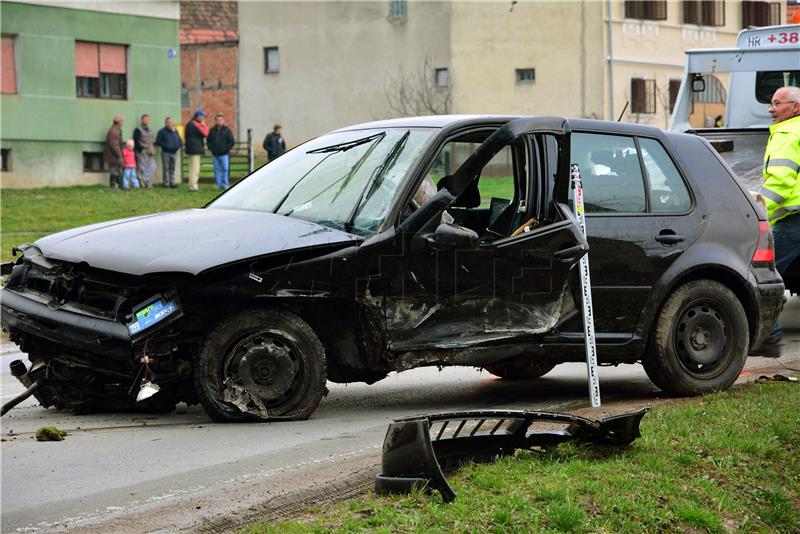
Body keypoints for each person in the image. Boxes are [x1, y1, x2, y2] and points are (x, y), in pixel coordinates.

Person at [760, 86, 800, 344]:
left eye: (777, 103)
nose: (771, 109)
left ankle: (768, 333)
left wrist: (757, 212)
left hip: (792, 220)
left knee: (763, 275)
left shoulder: (787, 133)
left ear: (795, 107)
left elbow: (780, 182)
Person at [207, 113, 235, 189]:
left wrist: (226, 149)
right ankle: (218, 184)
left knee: (225, 169)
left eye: (220, 120)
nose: (219, 121)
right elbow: (208, 141)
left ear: (223, 121)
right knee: (217, 169)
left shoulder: (227, 130)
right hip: (215, 154)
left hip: (224, 154)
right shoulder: (212, 130)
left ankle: (225, 183)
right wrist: (211, 148)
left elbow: (231, 141)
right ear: (215, 121)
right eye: (217, 120)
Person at [184, 109, 209, 192]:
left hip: (191, 149)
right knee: (195, 169)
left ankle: (191, 185)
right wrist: (204, 125)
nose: (203, 118)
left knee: (191, 168)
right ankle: (194, 186)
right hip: (195, 149)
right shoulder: (196, 125)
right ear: (197, 116)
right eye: (202, 116)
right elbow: (205, 133)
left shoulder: (189, 124)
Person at [155, 117, 182, 188]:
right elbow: (158, 141)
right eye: (168, 122)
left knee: (172, 168)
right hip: (166, 152)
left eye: (171, 122)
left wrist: (179, 145)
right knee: (166, 168)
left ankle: (172, 182)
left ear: (172, 123)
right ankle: (166, 183)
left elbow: (179, 139)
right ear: (165, 123)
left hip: (174, 152)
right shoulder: (162, 131)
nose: (169, 123)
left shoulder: (175, 131)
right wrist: (166, 146)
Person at [133, 114, 157, 188]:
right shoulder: (138, 130)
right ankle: (148, 183)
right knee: (144, 168)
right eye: (145, 119)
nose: (146, 121)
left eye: (148, 119)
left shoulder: (150, 130)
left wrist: (154, 148)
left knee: (153, 166)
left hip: (150, 152)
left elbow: (152, 140)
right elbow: (136, 141)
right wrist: (140, 149)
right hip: (142, 151)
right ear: (142, 120)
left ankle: (142, 178)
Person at [104, 115, 124, 189]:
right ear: (118, 122)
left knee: (118, 170)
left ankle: (118, 186)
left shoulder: (117, 130)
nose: (122, 123)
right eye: (121, 121)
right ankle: (113, 186)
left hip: (116, 154)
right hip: (113, 155)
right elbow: (114, 145)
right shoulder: (113, 131)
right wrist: (119, 155)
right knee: (114, 170)